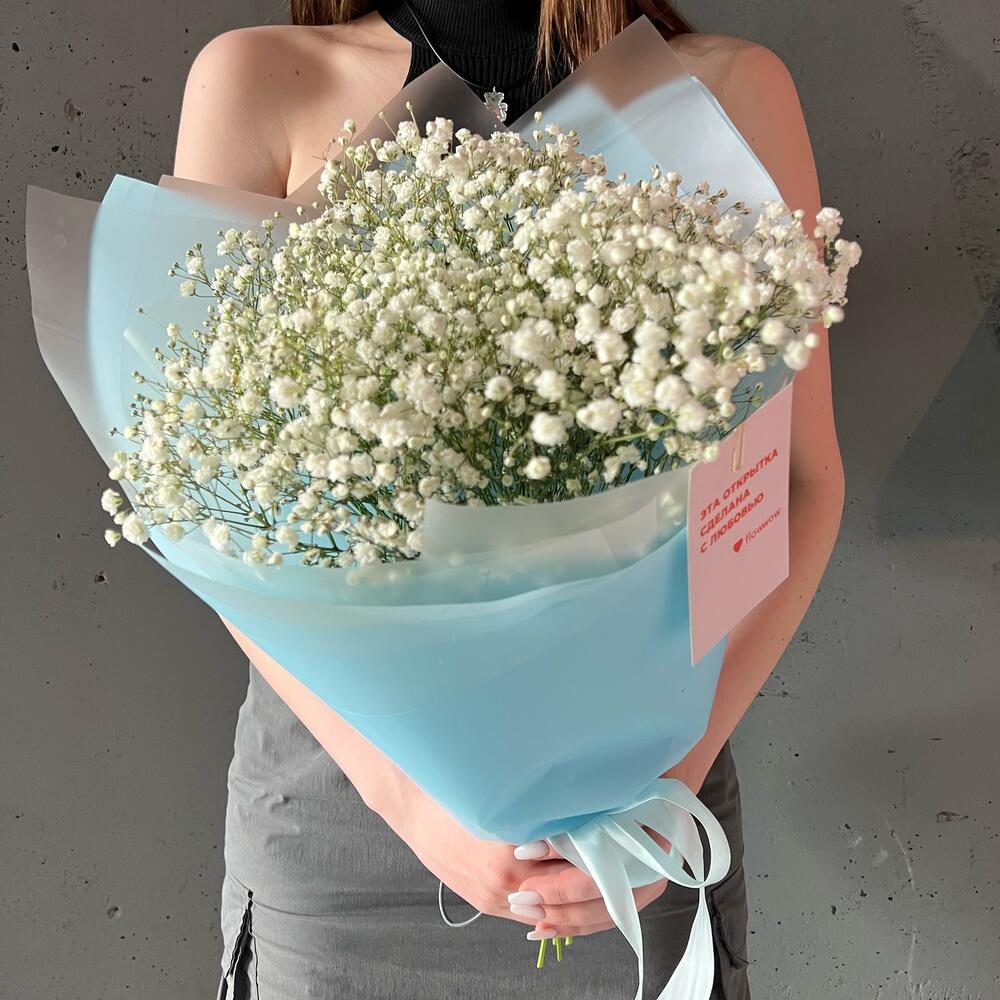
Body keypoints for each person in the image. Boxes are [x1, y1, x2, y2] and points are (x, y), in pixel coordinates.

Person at [172, 2, 845, 997]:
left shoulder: (729, 90)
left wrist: (663, 789)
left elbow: (796, 481)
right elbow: (209, 507)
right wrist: (408, 802)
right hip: (340, 827)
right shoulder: (264, 80)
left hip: (626, 835)